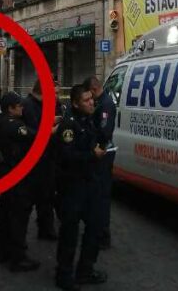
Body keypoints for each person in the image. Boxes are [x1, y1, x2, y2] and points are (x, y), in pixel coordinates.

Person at [54, 85, 108, 290]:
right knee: (70, 232)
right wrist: (92, 155)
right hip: (72, 187)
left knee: (95, 227)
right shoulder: (69, 125)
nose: (91, 102)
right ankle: (64, 275)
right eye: (86, 100)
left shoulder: (88, 121)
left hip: (90, 184)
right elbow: (67, 157)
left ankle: (85, 270)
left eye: (91, 98)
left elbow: (92, 141)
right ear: (76, 103)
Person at [0, 91, 40, 272]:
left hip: (4, 173)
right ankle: (18, 258)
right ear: (11, 109)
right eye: (19, 105)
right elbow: (35, 136)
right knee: (18, 215)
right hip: (15, 175)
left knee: (4, 213)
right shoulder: (13, 125)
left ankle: (3, 252)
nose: (22, 107)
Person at [23, 78, 63, 240]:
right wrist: (57, 128)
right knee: (33, 198)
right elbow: (37, 132)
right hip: (36, 159)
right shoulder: (29, 106)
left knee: (46, 196)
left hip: (47, 158)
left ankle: (46, 228)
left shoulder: (39, 104)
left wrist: (56, 119)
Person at [84, 76, 116, 250]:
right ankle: (99, 231)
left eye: (90, 95)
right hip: (100, 153)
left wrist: (94, 144)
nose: (90, 100)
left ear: (94, 89)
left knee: (102, 196)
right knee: (97, 195)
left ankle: (103, 235)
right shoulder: (101, 102)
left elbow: (104, 131)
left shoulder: (105, 104)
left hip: (103, 155)